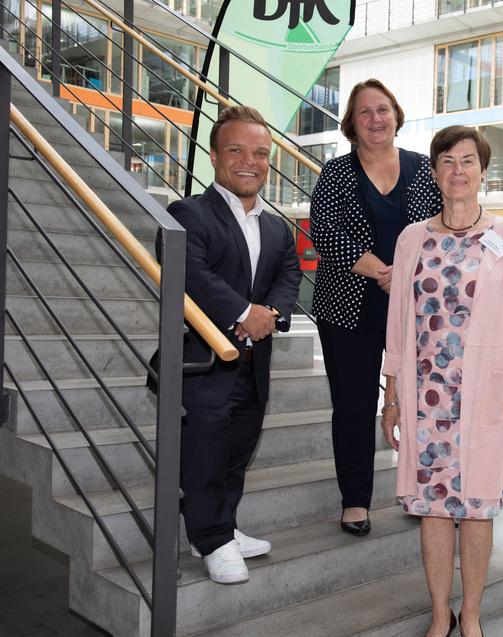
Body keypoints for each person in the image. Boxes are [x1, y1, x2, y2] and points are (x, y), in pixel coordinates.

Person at [381, 125, 503, 637]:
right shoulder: (412, 239)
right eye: (447, 161)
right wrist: (391, 397)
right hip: (426, 399)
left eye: (468, 161)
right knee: (431, 509)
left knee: (477, 510)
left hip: (485, 396)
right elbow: (398, 325)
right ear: (433, 172)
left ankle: (470, 615)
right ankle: (438, 614)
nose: (458, 171)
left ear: (483, 171)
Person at [167, 105, 302, 584]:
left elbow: (289, 275)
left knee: (237, 451)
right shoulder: (188, 213)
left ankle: (222, 526)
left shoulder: (276, 226)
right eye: (237, 150)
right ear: (213, 155)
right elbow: (191, 273)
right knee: (204, 452)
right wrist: (245, 313)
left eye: (260, 153)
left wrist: (270, 315)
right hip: (205, 361)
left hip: (253, 361)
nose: (250, 161)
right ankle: (212, 540)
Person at [310, 79, 442, 536]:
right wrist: (385, 272)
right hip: (347, 310)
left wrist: (405, 276)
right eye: (364, 112)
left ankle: (422, 491)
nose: (375, 119)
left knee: (423, 402)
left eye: (382, 109)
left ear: (396, 115)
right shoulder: (336, 172)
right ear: (352, 122)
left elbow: (442, 229)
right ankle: (355, 501)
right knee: (354, 404)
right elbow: (324, 232)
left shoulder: (424, 168)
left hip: (417, 308)